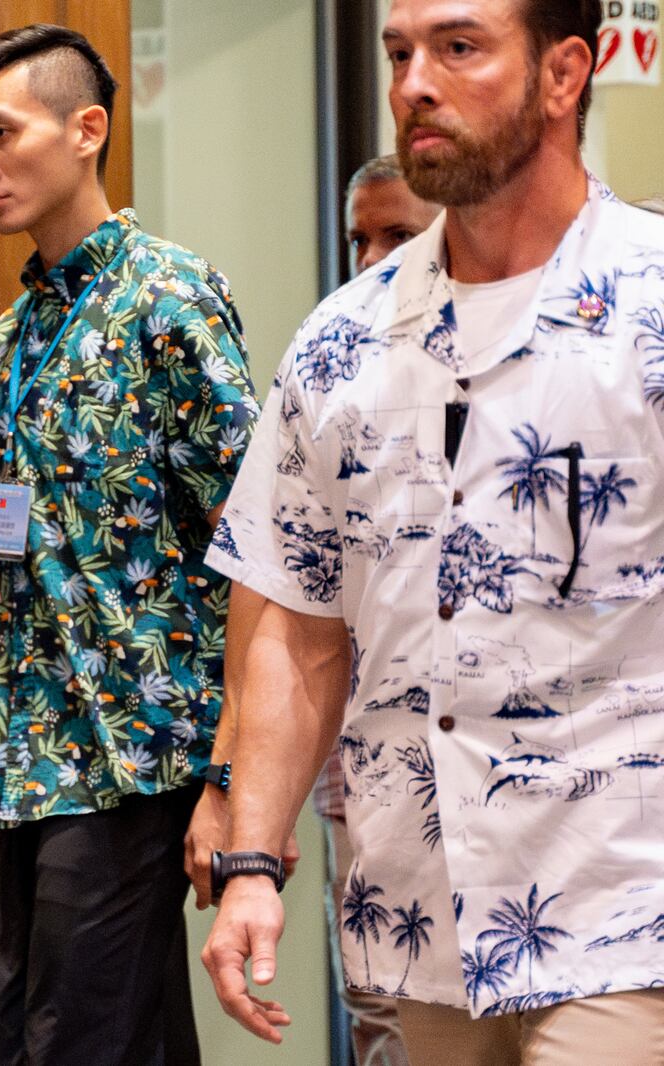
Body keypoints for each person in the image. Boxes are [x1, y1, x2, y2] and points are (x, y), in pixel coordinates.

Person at [199, 1, 664, 1063]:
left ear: (562, 75)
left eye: (457, 48)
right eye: (398, 53)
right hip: (417, 915)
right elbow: (292, 624)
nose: (413, 82)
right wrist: (252, 862)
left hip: (623, 915)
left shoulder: (648, 303)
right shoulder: (339, 342)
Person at [0, 25, 259, 1064]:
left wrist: (229, 786)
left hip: (135, 758)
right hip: (18, 761)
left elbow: (259, 552)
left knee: (74, 1043)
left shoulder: (168, 299)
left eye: (1, 134)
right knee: (4, 1037)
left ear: (86, 130)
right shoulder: (3, 345)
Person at [326, 154, 441, 1066]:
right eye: (358, 238)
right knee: (377, 1017)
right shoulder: (333, 371)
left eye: (397, 234)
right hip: (364, 774)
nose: (371, 258)